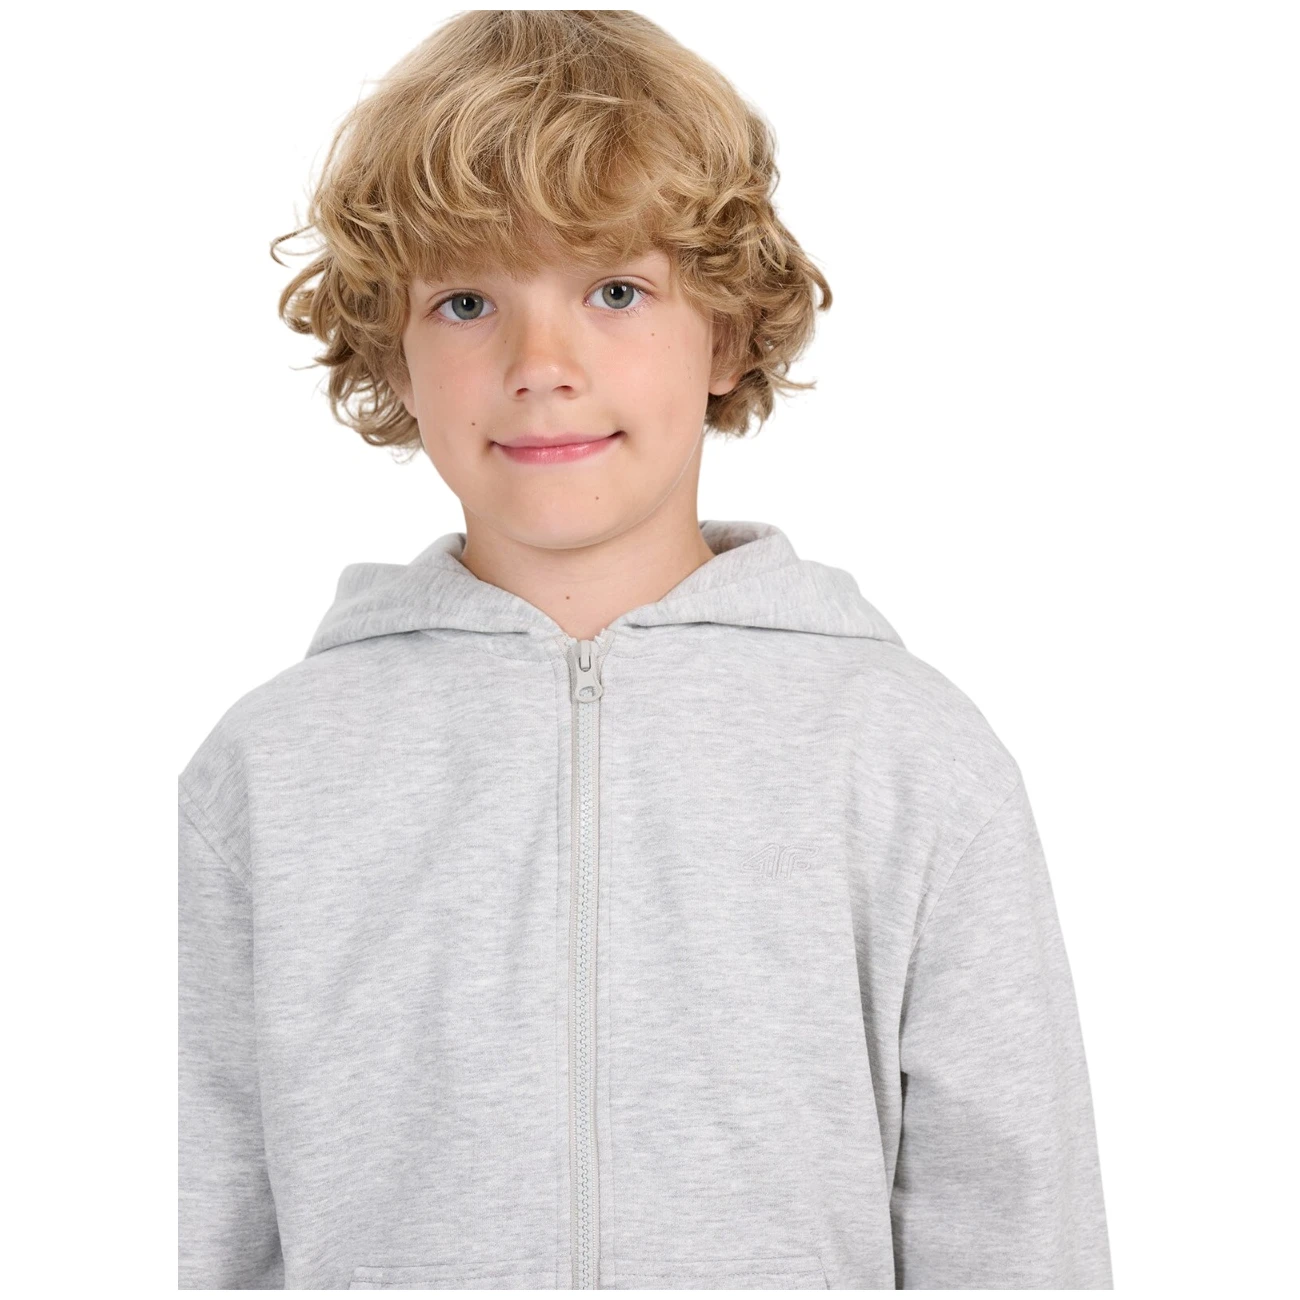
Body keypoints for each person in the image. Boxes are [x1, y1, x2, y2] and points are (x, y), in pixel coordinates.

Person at [178, 10, 1113, 1290]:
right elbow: (209, 1227)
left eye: (614, 291)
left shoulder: (903, 753)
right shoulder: (269, 772)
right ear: (394, 351)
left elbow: (1016, 1226)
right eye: (466, 300)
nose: (540, 365)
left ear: (724, 328)